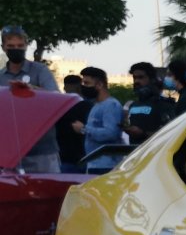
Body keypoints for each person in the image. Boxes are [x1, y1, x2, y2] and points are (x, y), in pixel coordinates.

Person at [1, 24, 61, 172]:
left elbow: (56, 98)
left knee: (47, 186)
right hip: (11, 152)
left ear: (26, 46)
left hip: (42, 150)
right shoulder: (1, 77)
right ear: (3, 48)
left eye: (20, 45)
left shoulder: (40, 71)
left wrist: (32, 90)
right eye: (11, 46)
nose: (16, 49)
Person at [73, 67, 124, 172]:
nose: (84, 87)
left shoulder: (111, 105)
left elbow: (110, 133)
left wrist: (84, 129)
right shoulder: (96, 105)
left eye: (87, 83)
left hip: (107, 165)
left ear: (99, 85)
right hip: (94, 164)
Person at [123, 62, 174, 145]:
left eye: (141, 77)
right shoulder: (133, 105)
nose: (136, 81)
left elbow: (169, 133)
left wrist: (143, 134)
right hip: (135, 151)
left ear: (152, 79)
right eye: (134, 78)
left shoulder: (163, 104)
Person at [56, 75, 93, 172]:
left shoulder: (58, 106)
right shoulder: (88, 106)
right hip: (84, 155)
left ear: (65, 87)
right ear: (80, 87)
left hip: (63, 155)